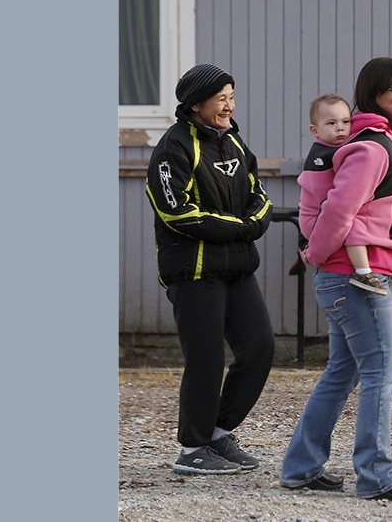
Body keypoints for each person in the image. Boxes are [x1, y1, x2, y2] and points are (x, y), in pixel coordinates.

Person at [280, 58, 392, 501]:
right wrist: (314, 255)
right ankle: (377, 475)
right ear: (374, 93)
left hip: (348, 276)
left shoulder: (377, 140)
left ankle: (302, 467)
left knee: (342, 371)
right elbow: (338, 211)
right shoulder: (370, 147)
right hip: (354, 279)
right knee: (380, 370)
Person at [146, 63, 275, 475]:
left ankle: (218, 433)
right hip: (193, 271)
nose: (229, 106)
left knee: (259, 348)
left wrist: (252, 222)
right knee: (205, 359)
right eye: (221, 99)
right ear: (195, 104)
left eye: (232, 97)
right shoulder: (172, 149)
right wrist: (241, 228)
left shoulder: (234, 144)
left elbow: (260, 195)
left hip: (236, 268)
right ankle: (192, 449)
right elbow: (176, 213)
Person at [299, 94, 384, 295]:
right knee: (352, 222)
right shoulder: (319, 157)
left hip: (323, 218)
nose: (340, 127)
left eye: (346, 121)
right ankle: (363, 272)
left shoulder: (340, 150)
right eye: (331, 123)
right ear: (315, 130)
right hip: (315, 219)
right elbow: (329, 202)